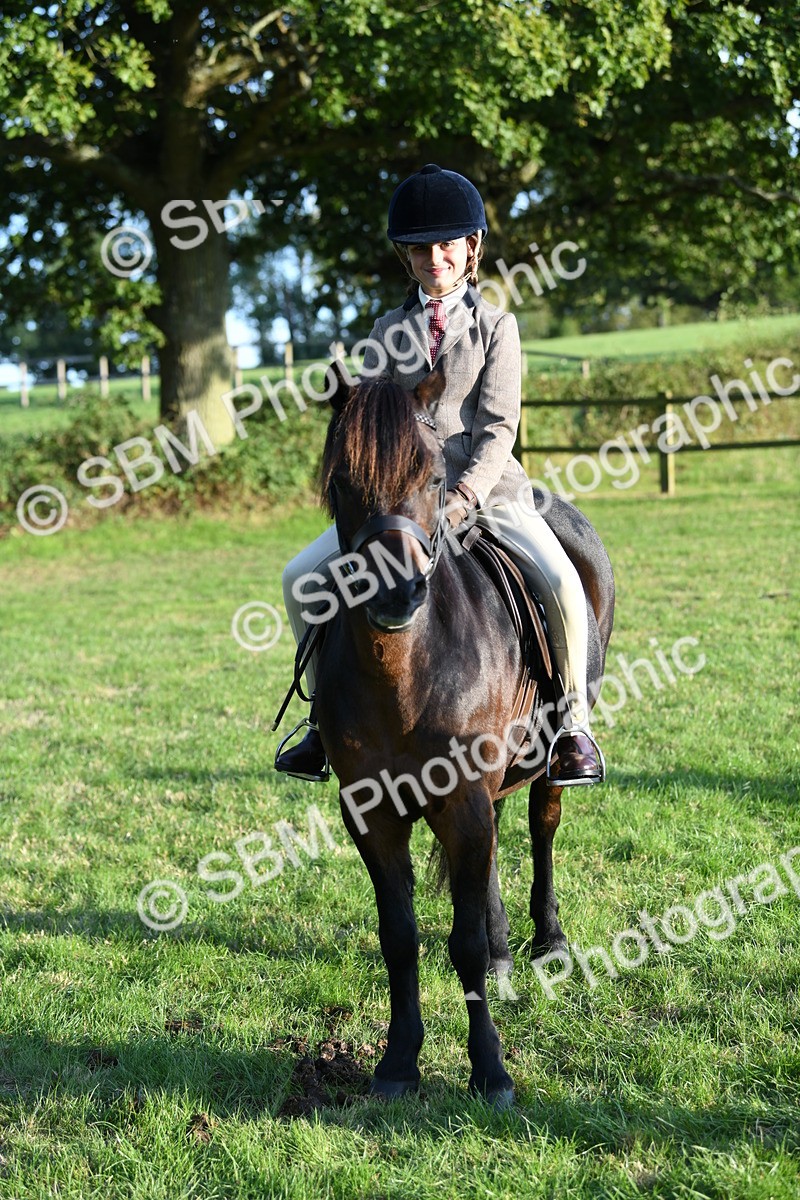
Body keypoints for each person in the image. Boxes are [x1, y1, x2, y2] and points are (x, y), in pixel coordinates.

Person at [275, 163, 604, 786]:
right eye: (422, 247)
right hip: (403, 504)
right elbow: (371, 423)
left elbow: (498, 429)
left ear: (470, 248)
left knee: (561, 578)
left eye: (446, 245)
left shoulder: (496, 328)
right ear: (408, 256)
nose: (435, 257)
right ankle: (321, 725)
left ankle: (573, 727)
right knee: (299, 579)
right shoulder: (384, 332)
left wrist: (463, 497)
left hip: (489, 492)